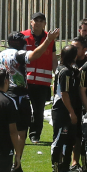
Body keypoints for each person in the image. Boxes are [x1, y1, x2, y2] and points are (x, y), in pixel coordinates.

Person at [0, 29, 59, 172]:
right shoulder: (18, 54)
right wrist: (48, 41)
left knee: (5, 131)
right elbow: (34, 55)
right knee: (21, 131)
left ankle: (5, 162)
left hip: (2, 96)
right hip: (19, 97)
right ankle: (17, 162)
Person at [21, 12, 56, 142]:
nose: (39, 23)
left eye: (41, 20)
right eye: (36, 20)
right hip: (25, 80)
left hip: (43, 82)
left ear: (45, 24)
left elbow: (53, 58)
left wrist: (56, 73)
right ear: (31, 22)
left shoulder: (50, 38)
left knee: (38, 110)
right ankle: (22, 132)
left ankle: (35, 134)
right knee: (23, 109)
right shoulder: (23, 36)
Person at [50, 44, 84, 172]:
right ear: (74, 56)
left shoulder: (66, 69)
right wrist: (71, 112)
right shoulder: (65, 72)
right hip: (62, 111)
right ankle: (56, 171)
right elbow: (64, 93)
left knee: (70, 139)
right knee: (59, 140)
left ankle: (65, 168)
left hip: (69, 110)